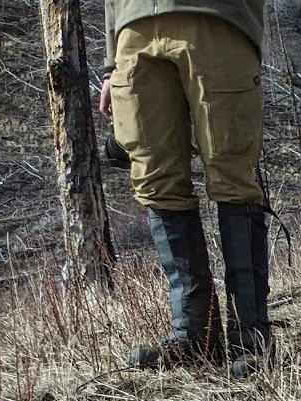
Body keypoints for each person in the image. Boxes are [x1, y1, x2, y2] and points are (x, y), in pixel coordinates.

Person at [98, 0, 271, 376]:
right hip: (134, 28)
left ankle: (250, 338)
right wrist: (112, 64)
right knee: (156, 182)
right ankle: (195, 337)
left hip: (216, 18)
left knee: (232, 174)